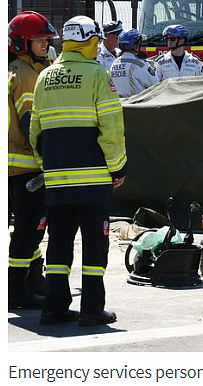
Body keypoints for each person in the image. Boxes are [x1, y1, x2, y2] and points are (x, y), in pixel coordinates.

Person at [30, 16, 127, 326]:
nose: (99, 46)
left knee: (58, 244)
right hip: (94, 180)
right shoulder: (98, 75)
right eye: (96, 42)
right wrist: (118, 167)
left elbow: (36, 132)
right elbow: (111, 127)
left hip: (57, 182)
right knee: (95, 246)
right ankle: (92, 310)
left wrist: (49, 167)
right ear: (88, 42)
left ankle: (55, 307)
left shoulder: (45, 77)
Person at [7, 11, 57, 310]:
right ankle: (15, 288)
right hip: (26, 166)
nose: (45, 44)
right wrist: (52, 157)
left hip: (21, 167)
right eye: (39, 40)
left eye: (46, 39)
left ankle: (34, 281)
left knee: (32, 226)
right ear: (21, 42)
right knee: (30, 228)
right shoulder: (25, 74)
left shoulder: (25, 68)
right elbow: (31, 124)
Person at [109, 29, 159, 98]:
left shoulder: (114, 64)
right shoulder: (140, 64)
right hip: (136, 106)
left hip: (119, 106)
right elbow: (156, 85)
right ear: (134, 44)